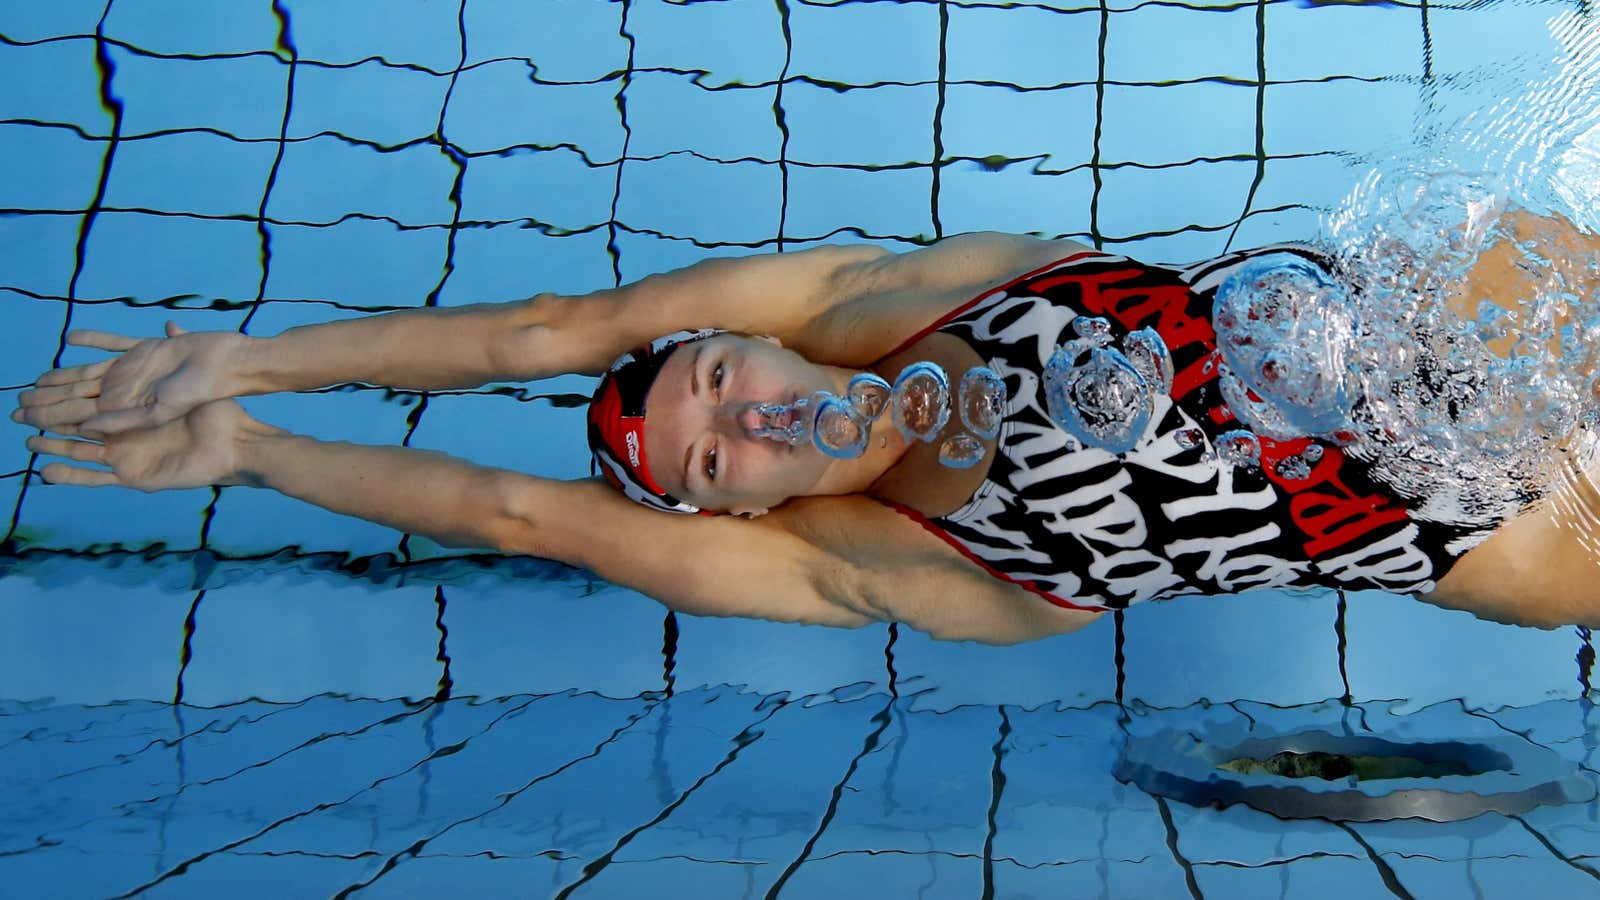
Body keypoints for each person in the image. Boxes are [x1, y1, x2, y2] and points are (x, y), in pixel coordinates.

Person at [13, 227, 1600, 642]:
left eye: (711, 379)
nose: (744, 421)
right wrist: (254, 455)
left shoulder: (878, 299)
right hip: (1506, 534)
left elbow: (548, 336)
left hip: (1480, 295)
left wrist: (260, 358)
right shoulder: (866, 561)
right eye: (715, 464)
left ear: (759, 338)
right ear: (737, 517)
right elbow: (517, 510)